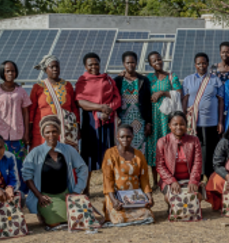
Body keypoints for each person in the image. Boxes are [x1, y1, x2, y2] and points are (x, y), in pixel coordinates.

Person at [23, 116, 90, 230]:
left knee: (80, 219)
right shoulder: (36, 152)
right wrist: (39, 196)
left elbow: (83, 168)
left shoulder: (68, 150)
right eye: (47, 132)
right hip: (46, 197)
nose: (51, 135)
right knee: (53, 223)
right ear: (43, 134)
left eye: (54, 131)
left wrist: (76, 191)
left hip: (64, 194)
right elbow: (27, 175)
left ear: (59, 132)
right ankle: (43, 213)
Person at [76, 53, 121, 183]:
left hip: (108, 120)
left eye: (96, 64)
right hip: (91, 121)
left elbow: (117, 98)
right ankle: (86, 187)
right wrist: (100, 107)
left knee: (108, 153)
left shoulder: (108, 79)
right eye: (90, 64)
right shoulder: (82, 81)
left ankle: (110, 186)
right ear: (85, 66)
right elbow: (80, 101)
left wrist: (108, 109)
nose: (94, 66)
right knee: (89, 155)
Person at [102, 125, 155, 227]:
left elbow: (144, 179)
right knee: (119, 218)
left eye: (128, 136)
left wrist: (149, 197)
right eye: (122, 137)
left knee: (148, 215)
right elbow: (107, 179)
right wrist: (113, 200)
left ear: (133, 137)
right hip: (116, 196)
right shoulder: (110, 154)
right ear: (117, 137)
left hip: (134, 197)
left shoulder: (139, 155)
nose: (125, 139)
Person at [182, 53, 224, 179]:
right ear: (195, 65)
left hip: (211, 121)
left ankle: (209, 174)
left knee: (210, 149)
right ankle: (196, 174)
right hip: (194, 122)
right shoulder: (188, 80)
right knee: (194, 148)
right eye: (199, 63)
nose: (201, 65)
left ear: (208, 64)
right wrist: (184, 118)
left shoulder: (215, 80)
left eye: (204, 63)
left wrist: (220, 121)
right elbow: (184, 100)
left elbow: (221, 101)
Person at [0, 61, 32, 173]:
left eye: (13, 71)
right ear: (3, 72)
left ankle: (19, 189)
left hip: (18, 134)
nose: (10, 73)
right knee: (0, 165)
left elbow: (26, 113)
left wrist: (26, 133)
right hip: (0, 135)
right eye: (7, 71)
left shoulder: (21, 91)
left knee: (19, 165)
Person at [147, 51, 182, 185]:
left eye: (159, 60)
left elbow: (179, 93)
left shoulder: (171, 77)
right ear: (150, 64)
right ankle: (155, 180)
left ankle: (169, 177)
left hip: (167, 118)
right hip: (154, 117)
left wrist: (162, 92)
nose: (157, 62)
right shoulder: (148, 79)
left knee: (169, 145)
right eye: (154, 61)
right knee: (154, 146)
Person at [28, 55, 78, 149]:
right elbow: (31, 110)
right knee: (43, 155)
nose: (55, 69)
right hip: (42, 129)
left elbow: (74, 108)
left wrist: (77, 126)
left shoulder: (67, 85)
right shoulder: (38, 87)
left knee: (64, 155)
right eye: (52, 67)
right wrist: (28, 131)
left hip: (66, 129)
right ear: (46, 69)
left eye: (57, 66)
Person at [114, 51, 154, 166]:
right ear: (123, 64)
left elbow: (148, 103)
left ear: (136, 63)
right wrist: (116, 117)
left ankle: (137, 174)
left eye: (133, 62)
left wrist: (148, 123)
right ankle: (123, 174)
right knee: (123, 145)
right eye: (128, 62)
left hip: (139, 120)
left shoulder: (143, 80)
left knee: (139, 147)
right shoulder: (118, 80)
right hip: (123, 120)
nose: (130, 65)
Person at [157, 112, 204, 196]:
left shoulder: (194, 140)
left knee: (195, 196)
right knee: (172, 196)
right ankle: (171, 207)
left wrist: (193, 180)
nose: (178, 127)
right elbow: (160, 166)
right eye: (175, 124)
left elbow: (197, 163)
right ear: (169, 126)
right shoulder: (163, 141)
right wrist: (172, 181)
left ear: (186, 125)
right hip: (169, 180)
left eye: (182, 124)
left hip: (189, 179)